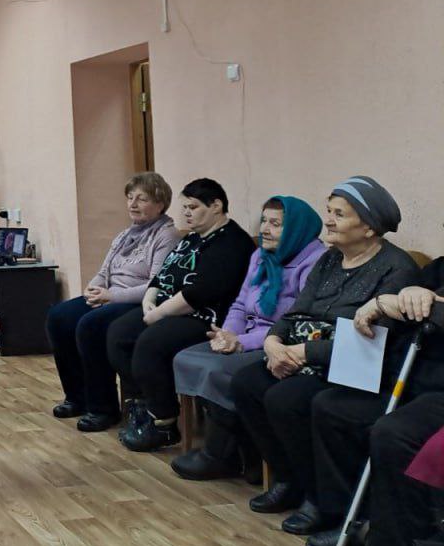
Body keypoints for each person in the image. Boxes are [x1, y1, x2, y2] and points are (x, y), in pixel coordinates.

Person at [231, 176, 420, 533]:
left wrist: (302, 352)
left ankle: (320, 498)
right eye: (329, 211)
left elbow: (374, 340)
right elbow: (296, 311)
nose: (328, 221)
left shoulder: (397, 268)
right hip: (308, 356)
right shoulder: (331, 258)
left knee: (287, 399)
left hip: (359, 367)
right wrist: (273, 343)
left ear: (369, 226)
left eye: (339, 214)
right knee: (247, 382)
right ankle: (289, 477)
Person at [303, 284, 444, 546]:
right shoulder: (437, 271)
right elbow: (399, 311)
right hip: (410, 375)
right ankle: (352, 521)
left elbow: (417, 308)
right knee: (334, 407)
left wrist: (406, 304)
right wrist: (390, 302)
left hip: (437, 391)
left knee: (394, 434)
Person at [170, 196, 325, 481]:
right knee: (186, 357)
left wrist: (243, 343)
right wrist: (228, 334)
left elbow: (295, 323)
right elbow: (241, 304)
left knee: (217, 370)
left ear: (296, 229)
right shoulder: (260, 256)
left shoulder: (314, 262)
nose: (264, 229)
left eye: (275, 224)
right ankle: (243, 451)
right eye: (263, 221)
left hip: (279, 343)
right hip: (246, 335)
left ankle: (220, 455)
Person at [105, 178, 257, 452]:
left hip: (205, 318)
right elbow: (163, 273)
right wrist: (149, 299)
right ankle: (144, 404)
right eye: (184, 207)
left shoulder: (232, 242)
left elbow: (200, 293)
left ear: (216, 206)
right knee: (118, 333)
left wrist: (158, 313)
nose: (186, 213)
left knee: (150, 343)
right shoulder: (192, 238)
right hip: (169, 309)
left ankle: (163, 422)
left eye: (193, 207)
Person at [45, 172, 181, 432]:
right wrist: (93, 287)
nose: (133, 204)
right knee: (59, 317)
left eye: (142, 199)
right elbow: (104, 271)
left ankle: (103, 408)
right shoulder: (125, 235)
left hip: (137, 301)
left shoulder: (167, 236)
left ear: (160, 203)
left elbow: (156, 285)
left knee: (90, 325)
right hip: (110, 296)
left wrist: (111, 296)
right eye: (130, 198)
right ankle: (77, 397)